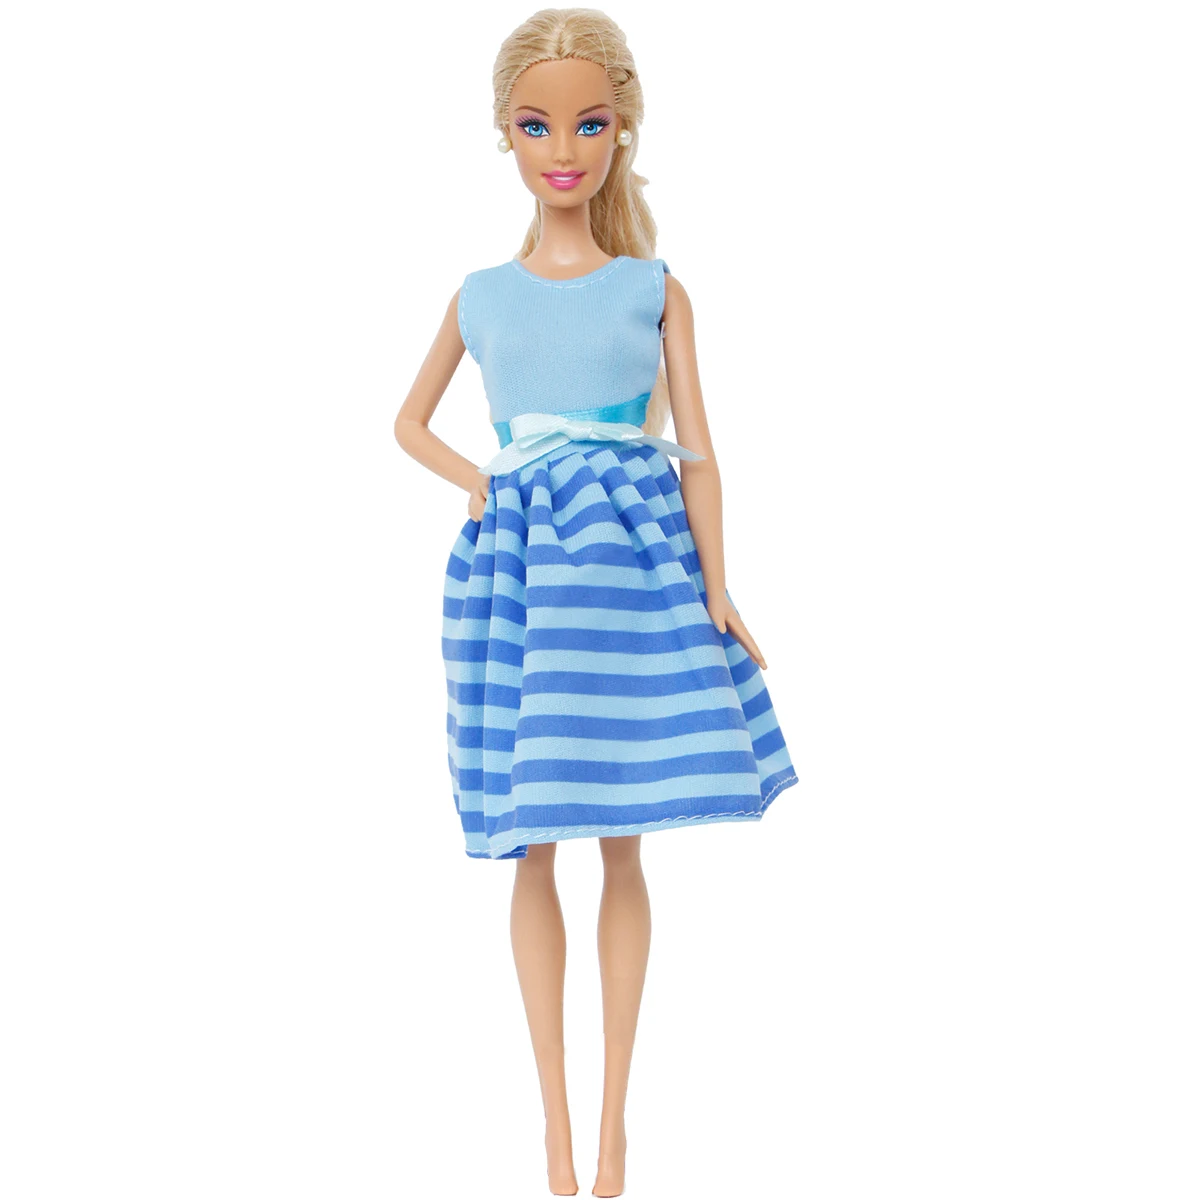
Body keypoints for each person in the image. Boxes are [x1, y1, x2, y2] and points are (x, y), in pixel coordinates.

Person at [394, 10, 798, 1196]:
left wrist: (719, 588)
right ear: (504, 134)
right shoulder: (481, 294)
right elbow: (406, 421)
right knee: (535, 844)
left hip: (630, 567)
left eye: (588, 124)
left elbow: (702, 453)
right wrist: (480, 481)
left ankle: (613, 1132)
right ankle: (556, 1137)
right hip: (521, 569)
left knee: (623, 836)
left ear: (623, 131)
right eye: (537, 126)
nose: (562, 149)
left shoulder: (654, 290)